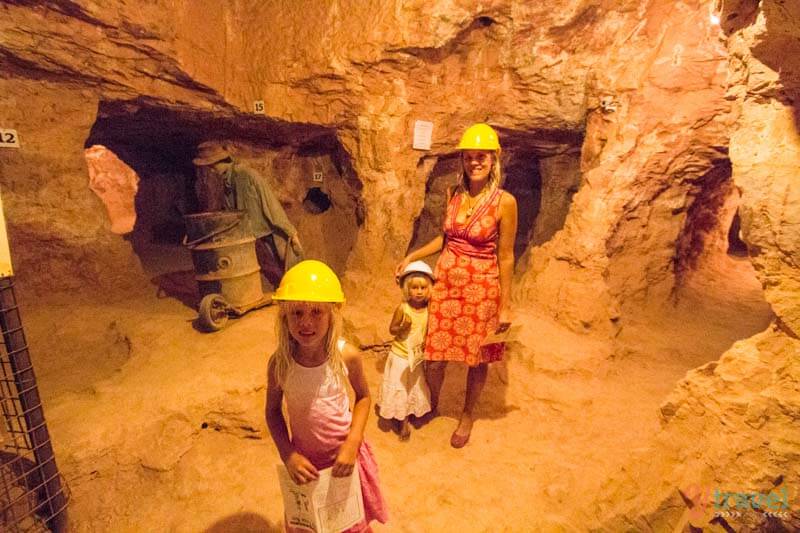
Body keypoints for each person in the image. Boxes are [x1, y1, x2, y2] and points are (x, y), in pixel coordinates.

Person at [396, 123, 518, 448]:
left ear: (493, 160)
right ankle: (432, 404)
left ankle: (467, 415)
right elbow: (445, 239)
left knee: (477, 358)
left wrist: (505, 303)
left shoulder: (505, 202)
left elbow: (505, 257)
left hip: (482, 288)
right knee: (436, 354)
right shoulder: (454, 194)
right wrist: (413, 256)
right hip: (447, 283)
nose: (475, 163)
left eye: (482, 157)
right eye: (469, 157)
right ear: (462, 159)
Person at [265, 260, 388, 531]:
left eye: (317, 312)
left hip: (344, 457)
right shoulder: (280, 364)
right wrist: (288, 455)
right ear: (284, 316)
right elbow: (273, 411)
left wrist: (352, 443)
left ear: (333, 313)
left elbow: (364, 397)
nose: (306, 322)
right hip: (305, 463)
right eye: (296, 312)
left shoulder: (346, 355)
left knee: (350, 523)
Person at [192, 141, 303, 287]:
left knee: (283, 262)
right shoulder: (227, 180)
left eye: (211, 166)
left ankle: (294, 290)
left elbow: (269, 202)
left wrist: (290, 232)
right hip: (248, 233)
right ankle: (285, 288)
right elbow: (230, 210)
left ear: (219, 162)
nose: (211, 171)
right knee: (265, 265)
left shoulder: (247, 174)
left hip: (264, 230)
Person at [377, 261, 434, 441]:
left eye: (423, 288)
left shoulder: (429, 309)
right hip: (400, 355)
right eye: (414, 287)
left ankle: (412, 411)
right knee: (400, 386)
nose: (418, 291)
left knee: (414, 385)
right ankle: (402, 421)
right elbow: (392, 330)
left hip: (416, 356)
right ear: (407, 289)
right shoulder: (403, 308)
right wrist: (403, 327)